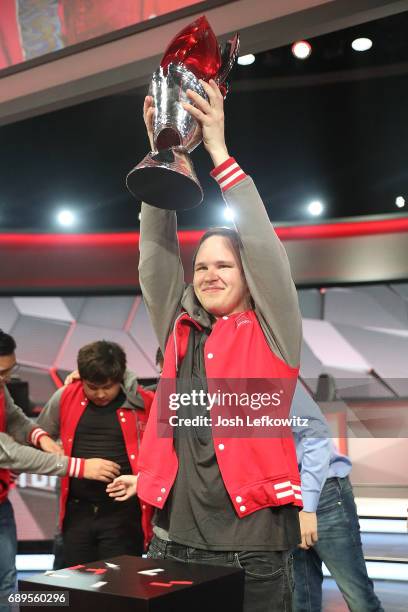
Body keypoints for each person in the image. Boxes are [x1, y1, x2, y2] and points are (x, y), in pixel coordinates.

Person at [107, 80, 303, 612]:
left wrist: (217, 152)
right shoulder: (178, 328)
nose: (209, 274)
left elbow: (265, 249)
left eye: (224, 265)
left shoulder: (273, 333)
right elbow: (155, 254)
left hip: (254, 551)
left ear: (247, 275)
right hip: (170, 542)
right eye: (201, 267)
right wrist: (163, 154)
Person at [0, 329, 119, 612]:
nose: (6, 378)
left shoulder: (135, 399)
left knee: (7, 584)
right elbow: (8, 452)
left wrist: (39, 436)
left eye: (10, 370)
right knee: (65, 588)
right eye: (93, 385)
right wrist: (77, 466)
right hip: (74, 516)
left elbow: (15, 417)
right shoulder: (66, 396)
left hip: (116, 520)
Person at [37, 340, 153, 566]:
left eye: (108, 387)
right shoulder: (66, 396)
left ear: (120, 378)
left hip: (124, 514)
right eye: (92, 387)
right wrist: (54, 449)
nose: (100, 394)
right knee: (76, 587)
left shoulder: (145, 403)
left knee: (120, 590)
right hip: (77, 512)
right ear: (82, 379)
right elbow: (38, 432)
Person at [291, 382, 384, 612]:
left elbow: (317, 437)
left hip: (324, 496)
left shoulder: (271, 380)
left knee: (360, 598)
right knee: (300, 602)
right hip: (287, 501)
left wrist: (307, 507)